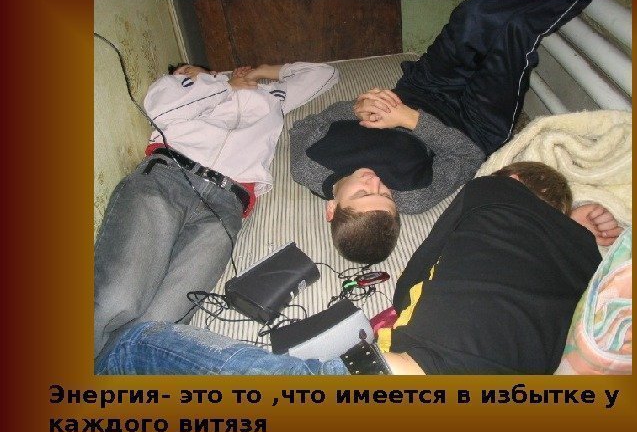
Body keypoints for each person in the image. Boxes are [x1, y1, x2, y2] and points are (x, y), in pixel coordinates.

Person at [95, 162, 603, 375]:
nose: (377, 180)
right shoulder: (587, 261)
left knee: (133, 343)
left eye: (381, 193)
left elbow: (413, 279)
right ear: (330, 208)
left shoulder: (490, 191)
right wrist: (577, 232)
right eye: (369, 190)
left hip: (398, 379)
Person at [290, 0, 597, 264]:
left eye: (362, 192)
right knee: (516, 32)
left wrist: (355, 108)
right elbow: (467, 156)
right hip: (474, 123)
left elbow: (309, 123)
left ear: (332, 208)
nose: (376, 181)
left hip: (421, 89)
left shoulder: (307, 165)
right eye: (385, 195)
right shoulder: (413, 198)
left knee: (473, 14)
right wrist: (410, 120)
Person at [94, 60, 339, 358]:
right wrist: (221, 87)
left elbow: (326, 74)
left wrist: (260, 72)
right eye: (181, 71)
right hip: (167, 178)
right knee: (116, 298)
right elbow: (161, 113)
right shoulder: (179, 86)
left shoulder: (273, 96)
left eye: (189, 68)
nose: (183, 73)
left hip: (224, 206)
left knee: (159, 326)